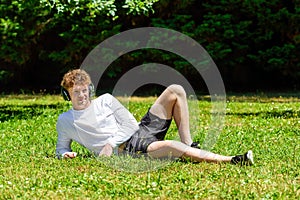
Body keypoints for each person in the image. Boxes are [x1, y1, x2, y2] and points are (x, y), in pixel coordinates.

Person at [56, 69, 254, 165]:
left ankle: (190, 145)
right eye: (76, 92)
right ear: (67, 95)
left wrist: (109, 143)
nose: (82, 96)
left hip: (139, 132)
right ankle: (232, 160)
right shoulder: (65, 121)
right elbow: (62, 147)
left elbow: (131, 124)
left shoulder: (106, 100)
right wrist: (65, 154)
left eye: (84, 91)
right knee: (171, 146)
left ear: (90, 89)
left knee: (175, 90)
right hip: (129, 148)